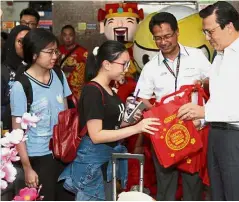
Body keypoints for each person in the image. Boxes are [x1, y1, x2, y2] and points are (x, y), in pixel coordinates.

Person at [177, 1, 239, 200]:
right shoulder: (221, 56)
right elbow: (221, 98)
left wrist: (205, 113)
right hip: (219, 135)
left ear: (229, 26)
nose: (207, 37)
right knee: (219, 195)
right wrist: (202, 120)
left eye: (210, 31)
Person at [58, 40, 160, 201]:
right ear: (106, 64)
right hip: (93, 162)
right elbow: (96, 135)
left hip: (106, 159)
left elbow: (111, 125)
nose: (127, 69)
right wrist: (136, 128)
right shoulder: (93, 90)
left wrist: (131, 121)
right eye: (123, 64)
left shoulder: (108, 89)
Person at [134, 12, 211, 201]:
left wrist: (203, 83)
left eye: (167, 36)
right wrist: (157, 112)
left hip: (193, 129)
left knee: (193, 187)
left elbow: (213, 81)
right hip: (165, 136)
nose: (163, 42)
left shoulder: (196, 56)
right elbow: (141, 98)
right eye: (158, 38)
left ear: (177, 32)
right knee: (165, 188)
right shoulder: (151, 67)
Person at [10, 28, 72, 201]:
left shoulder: (59, 75)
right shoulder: (21, 86)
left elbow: (66, 115)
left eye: (56, 51)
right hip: (38, 157)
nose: (55, 56)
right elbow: (17, 133)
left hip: (62, 154)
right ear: (35, 54)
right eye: (50, 52)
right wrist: (27, 167)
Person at [1, 25, 30, 132]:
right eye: (20, 41)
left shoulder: (38, 70)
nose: (25, 46)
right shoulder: (3, 71)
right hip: (9, 133)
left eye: (29, 41)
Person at [59, 24, 88, 100]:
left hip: (76, 93)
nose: (67, 38)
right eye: (65, 35)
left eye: (70, 35)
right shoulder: (57, 51)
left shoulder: (82, 52)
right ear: (61, 36)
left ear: (74, 36)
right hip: (61, 91)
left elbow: (90, 70)